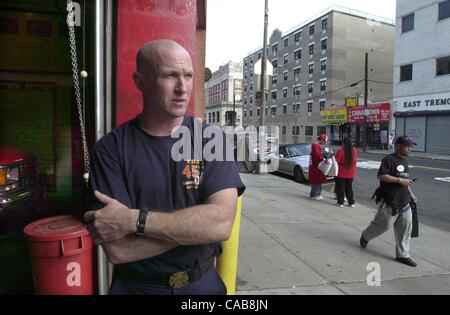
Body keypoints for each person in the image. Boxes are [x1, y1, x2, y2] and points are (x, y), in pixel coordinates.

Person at [84, 39, 246, 295]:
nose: (183, 88)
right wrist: (196, 229)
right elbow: (119, 249)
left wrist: (134, 220)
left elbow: (221, 225)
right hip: (138, 289)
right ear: (140, 82)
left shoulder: (212, 140)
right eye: (170, 75)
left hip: (202, 287)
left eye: (188, 76)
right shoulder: (111, 149)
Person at [360, 136, 418, 267]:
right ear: (398, 146)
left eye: (411, 146)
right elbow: (381, 175)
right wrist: (398, 180)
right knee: (382, 226)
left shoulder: (405, 161)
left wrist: (411, 194)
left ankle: (402, 255)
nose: (410, 148)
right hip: (389, 201)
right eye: (407, 146)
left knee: (405, 229)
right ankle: (365, 236)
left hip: (404, 201)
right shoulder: (389, 160)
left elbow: (405, 180)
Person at [334, 137, 357, 208]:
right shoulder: (354, 151)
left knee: (341, 188)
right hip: (350, 173)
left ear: (344, 143)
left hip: (341, 173)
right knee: (349, 188)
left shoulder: (341, 151)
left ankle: (340, 202)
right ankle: (351, 202)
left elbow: (336, 161)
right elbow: (355, 161)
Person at [309, 134, 328, 200]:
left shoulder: (316, 145)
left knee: (318, 180)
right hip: (316, 167)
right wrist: (324, 157)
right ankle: (314, 195)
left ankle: (317, 193)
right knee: (316, 181)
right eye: (324, 141)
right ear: (322, 139)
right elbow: (317, 157)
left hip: (316, 166)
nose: (325, 142)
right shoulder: (315, 146)